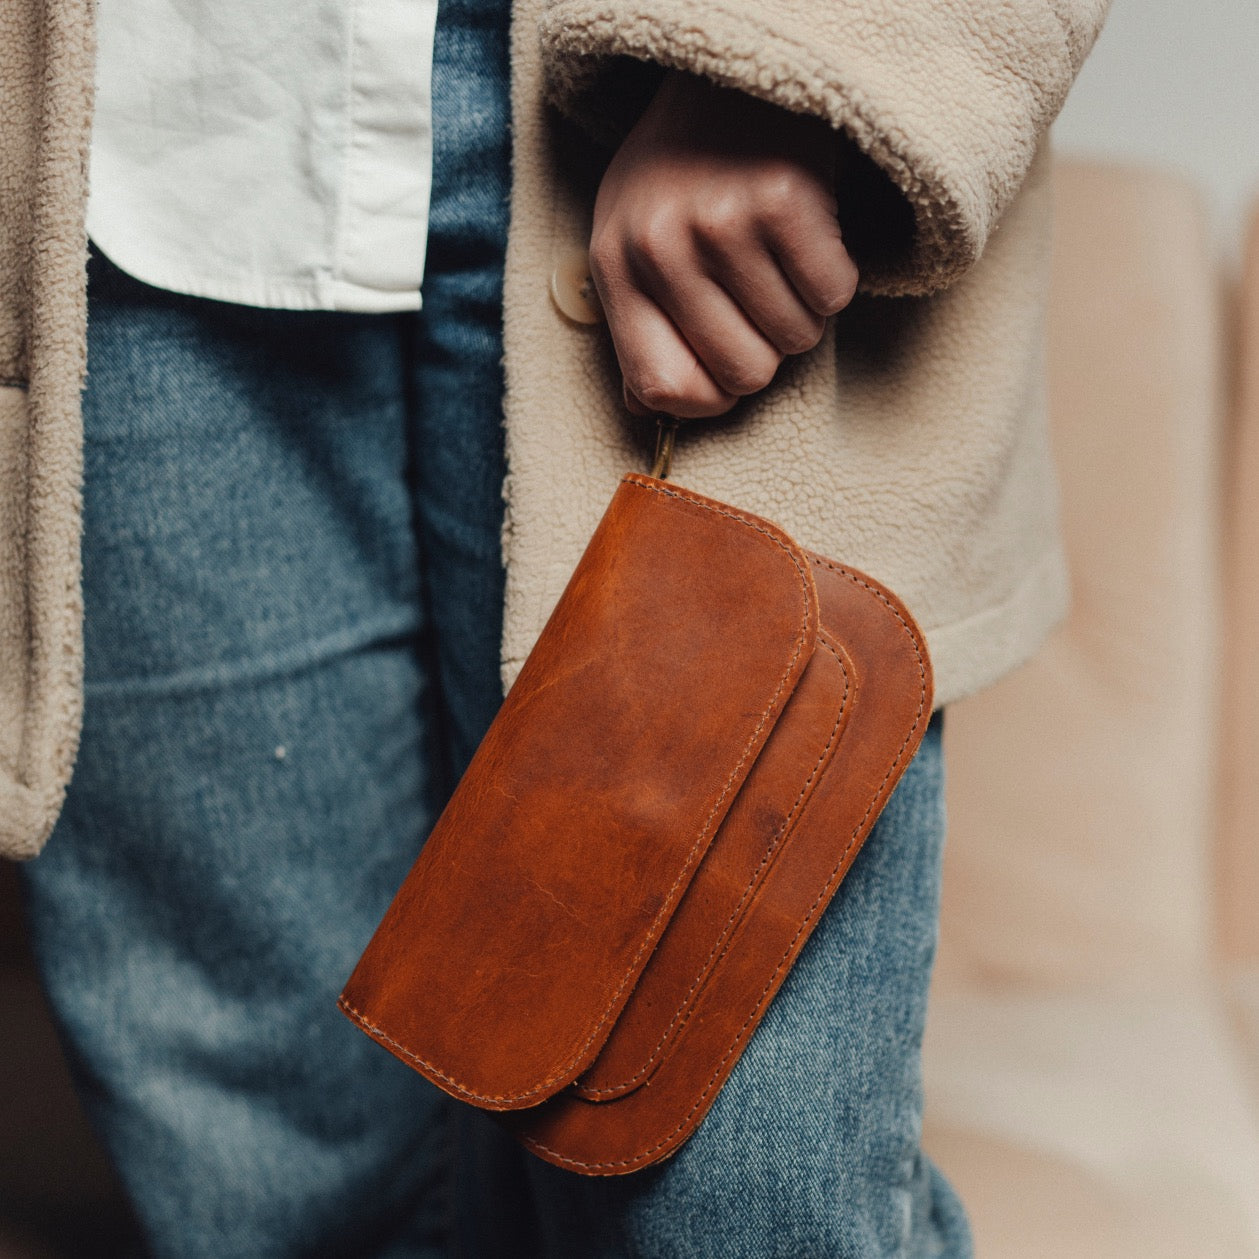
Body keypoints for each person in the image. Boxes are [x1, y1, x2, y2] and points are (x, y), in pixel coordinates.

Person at [1, 0, 1108, 1254]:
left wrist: (799, 52)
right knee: (278, 1190)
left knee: (738, 1211)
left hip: (650, 104)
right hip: (125, 163)